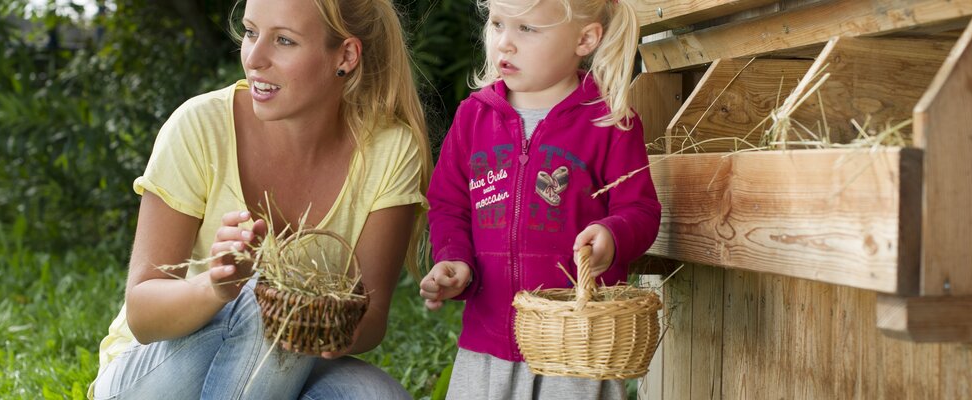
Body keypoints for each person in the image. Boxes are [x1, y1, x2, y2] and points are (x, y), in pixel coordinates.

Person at [90, 0, 430, 398]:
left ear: (346, 55)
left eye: (284, 40)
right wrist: (217, 287)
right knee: (261, 301)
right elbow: (143, 314)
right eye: (251, 32)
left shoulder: (389, 149)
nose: (254, 57)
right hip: (154, 370)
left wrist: (322, 322)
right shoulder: (200, 126)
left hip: (283, 366)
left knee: (375, 395)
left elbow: (371, 318)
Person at [419, 0, 660, 398]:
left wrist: (612, 234)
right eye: (498, 24)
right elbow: (449, 203)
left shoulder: (609, 121)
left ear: (584, 39)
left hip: (576, 347)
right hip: (488, 343)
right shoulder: (473, 118)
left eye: (527, 29)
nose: (505, 44)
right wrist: (453, 257)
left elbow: (640, 209)